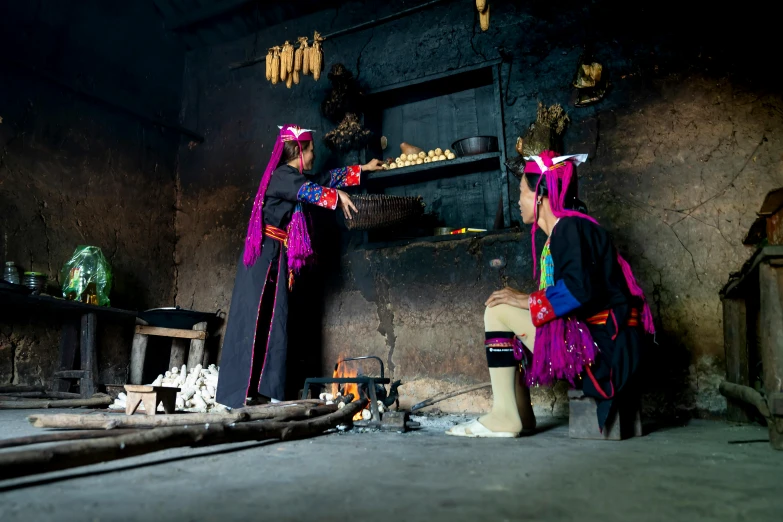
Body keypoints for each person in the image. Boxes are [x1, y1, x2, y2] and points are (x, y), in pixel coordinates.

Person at [447, 150, 653, 437]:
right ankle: (521, 415)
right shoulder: (573, 227)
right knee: (510, 311)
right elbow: (578, 287)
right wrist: (525, 300)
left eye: (522, 192)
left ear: (540, 196)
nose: (517, 201)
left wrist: (525, 300)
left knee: (497, 310)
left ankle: (506, 416)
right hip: (607, 342)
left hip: (604, 353)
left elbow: (579, 290)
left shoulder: (569, 228)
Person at [216, 125, 382, 409]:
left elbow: (324, 178)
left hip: (275, 258)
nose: (315, 155)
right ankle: (236, 393)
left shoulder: (294, 176)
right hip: (262, 260)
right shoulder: (283, 176)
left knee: (274, 322)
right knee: (255, 321)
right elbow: (307, 191)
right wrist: (336, 197)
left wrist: (363, 169)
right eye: (312, 151)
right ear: (300, 152)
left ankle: (265, 390)